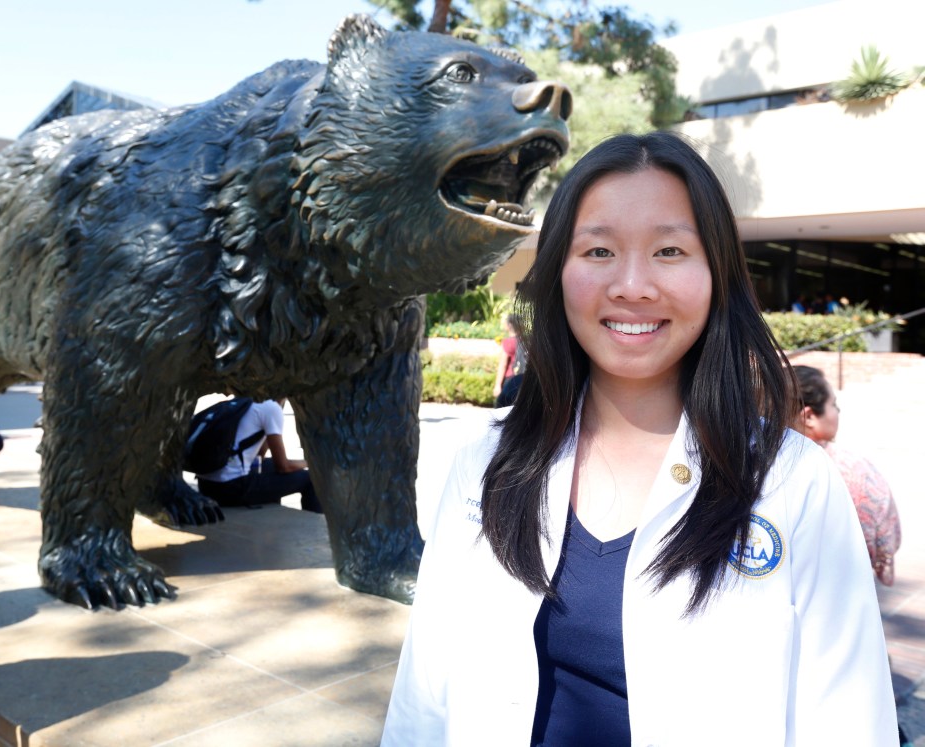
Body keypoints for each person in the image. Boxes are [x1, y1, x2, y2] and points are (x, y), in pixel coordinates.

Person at [383, 133, 897, 745]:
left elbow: (848, 720)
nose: (632, 285)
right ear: (557, 273)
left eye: (670, 251)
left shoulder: (793, 481)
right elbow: (423, 699)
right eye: (598, 250)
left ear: (717, 275)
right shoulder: (487, 463)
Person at [794, 365, 901, 585]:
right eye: (833, 404)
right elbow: (885, 539)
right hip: (838, 591)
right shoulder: (851, 470)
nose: (837, 412)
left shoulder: (751, 463)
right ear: (810, 416)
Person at [194, 398, 322, 513]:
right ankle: (315, 524)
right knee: (310, 478)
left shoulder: (245, 401)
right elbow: (283, 466)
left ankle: (272, 517)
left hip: (206, 486)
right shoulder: (271, 408)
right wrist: (311, 462)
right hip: (229, 490)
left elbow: (259, 455)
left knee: (269, 465)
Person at [493, 314, 521, 403]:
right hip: (524, 378)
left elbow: (503, 364)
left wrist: (497, 385)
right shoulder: (527, 341)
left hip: (511, 380)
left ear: (509, 325)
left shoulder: (508, 342)